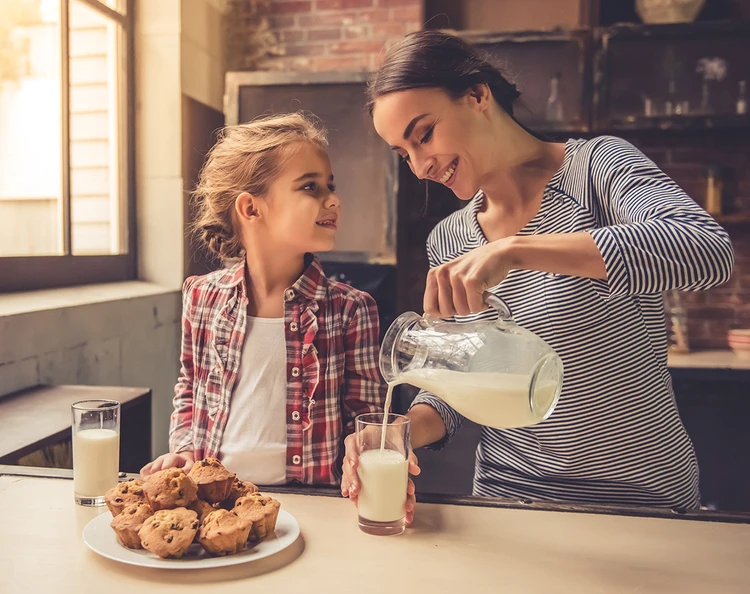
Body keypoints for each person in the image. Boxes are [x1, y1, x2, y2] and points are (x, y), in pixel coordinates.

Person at [342, 31, 734, 511]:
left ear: (477, 95)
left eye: (424, 134)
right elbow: (458, 383)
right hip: (509, 497)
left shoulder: (597, 170)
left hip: (639, 496)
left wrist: (517, 249)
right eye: (404, 154)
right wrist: (399, 434)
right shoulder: (448, 241)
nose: (420, 166)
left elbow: (706, 249)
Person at [141, 113, 385, 486]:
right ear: (251, 208)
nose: (333, 200)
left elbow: (367, 416)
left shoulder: (352, 309)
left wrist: (367, 452)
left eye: (330, 186)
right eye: (310, 187)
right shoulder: (201, 296)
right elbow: (191, 387)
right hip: (218, 503)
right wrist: (186, 449)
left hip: (315, 505)